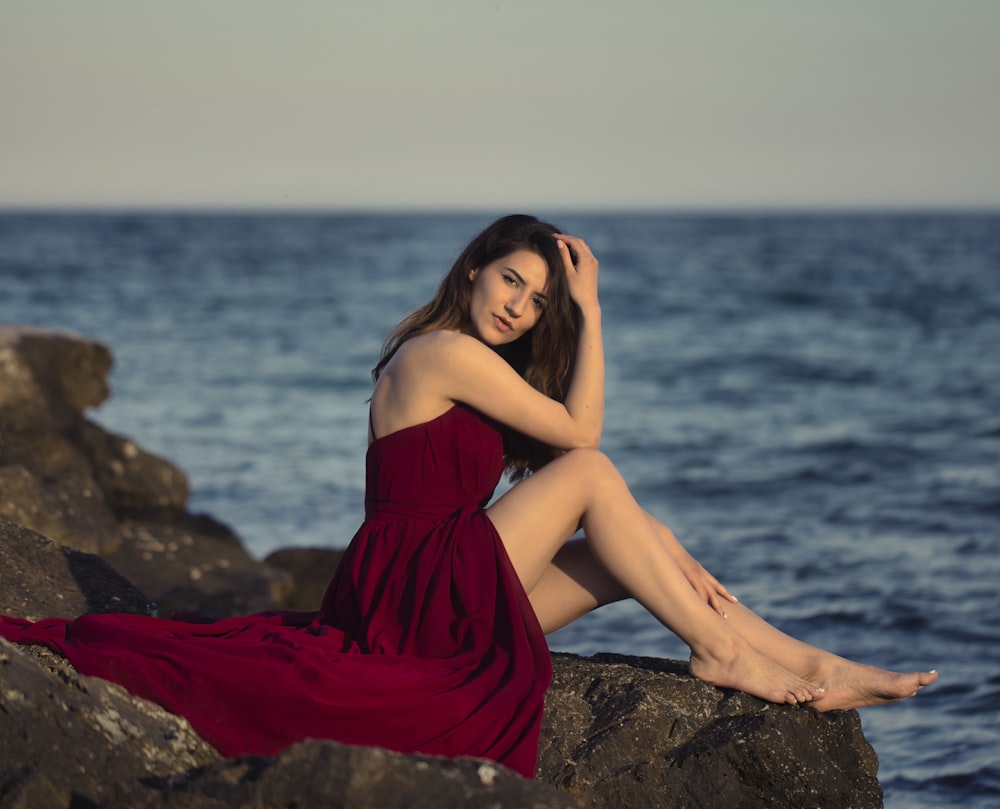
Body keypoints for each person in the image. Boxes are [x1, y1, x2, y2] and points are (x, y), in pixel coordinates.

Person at [0, 214, 937, 779]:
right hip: (415, 579)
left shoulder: (480, 368)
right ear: (475, 269)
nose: (518, 307)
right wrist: (596, 309)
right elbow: (583, 444)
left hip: (436, 585)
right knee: (596, 477)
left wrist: (667, 548)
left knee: (629, 540)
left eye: (539, 301)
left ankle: (807, 661)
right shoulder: (442, 352)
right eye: (511, 282)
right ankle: (728, 654)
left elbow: (576, 459)